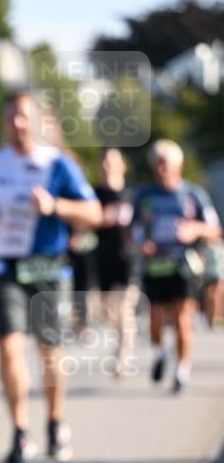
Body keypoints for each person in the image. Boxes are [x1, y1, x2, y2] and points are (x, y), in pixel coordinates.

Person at [0, 92, 102, 463]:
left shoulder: (57, 164)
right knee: (9, 348)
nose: (17, 124)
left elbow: (93, 213)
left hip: (47, 265)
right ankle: (19, 432)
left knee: (49, 352)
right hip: (5, 265)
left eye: (24, 117)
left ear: (37, 122)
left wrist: (55, 206)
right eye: (11, 117)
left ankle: (56, 421)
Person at [131, 140, 221, 392]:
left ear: (178, 165)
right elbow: (132, 229)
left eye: (166, 164)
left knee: (182, 319)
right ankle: (160, 351)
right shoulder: (144, 196)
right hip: (155, 265)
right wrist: (141, 243)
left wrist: (195, 230)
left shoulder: (193, 194)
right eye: (157, 164)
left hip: (184, 264)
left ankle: (182, 369)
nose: (162, 169)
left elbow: (214, 229)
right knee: (156, 318)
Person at [93, 148, 139, 376]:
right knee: (109, 312)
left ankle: (123, 356)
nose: (108, 166)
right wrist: (101, 219)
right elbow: (84, 221)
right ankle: (123, 347)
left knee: (124, 307)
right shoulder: (94, 194)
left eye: (112, 162)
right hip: (103, 257)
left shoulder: (133, 194)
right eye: (104, 162)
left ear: (123, 166)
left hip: (129, 259)